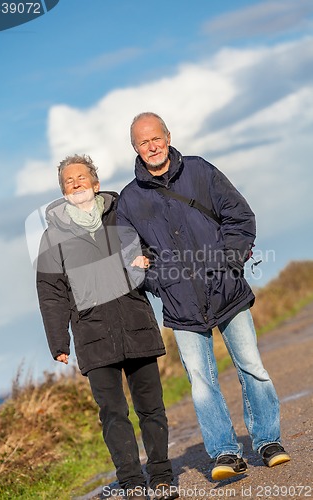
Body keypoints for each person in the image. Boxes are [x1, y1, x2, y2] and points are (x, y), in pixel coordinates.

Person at [116, 112, 291, 481]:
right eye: (143, 142)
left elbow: (240, 217)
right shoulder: (129, 200)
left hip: (227, 290)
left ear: (167, 136)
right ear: (135, 148)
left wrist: (228, 262)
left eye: (156, 138)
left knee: (253, 368)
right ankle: (225, 452)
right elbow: (129, 260)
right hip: (180, 304)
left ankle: (268, 442)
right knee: (201, 382)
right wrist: (160, 282)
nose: (152, 146)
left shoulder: (199, 170)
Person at [36, 154, 179, 500]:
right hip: (92, 334)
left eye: (81, 177)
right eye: (68, 181)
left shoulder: (122, 214)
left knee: (151, 406)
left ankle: (161, 476)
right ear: (63, 191)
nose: (75, 183)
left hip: (135, 322)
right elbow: (51, 292)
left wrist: (148, 259)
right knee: (113, 414)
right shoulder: (52, 236)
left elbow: (153, 246)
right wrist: (59, 341)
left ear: (96, 184)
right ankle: (131, 482)